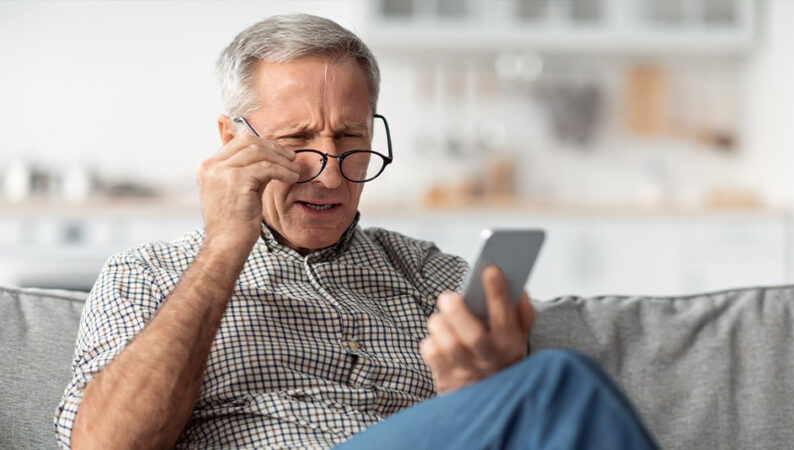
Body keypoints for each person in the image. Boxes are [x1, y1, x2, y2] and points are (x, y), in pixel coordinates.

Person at [55, 14, 657, 449]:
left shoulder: (432, 277)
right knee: (564, 380)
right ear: (232, 140)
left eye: (350, 141)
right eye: (296, 142)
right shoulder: (145, 276)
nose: (328, 174)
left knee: (550, 385)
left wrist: (476, 391)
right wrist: (222, 247)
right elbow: (105, 446)